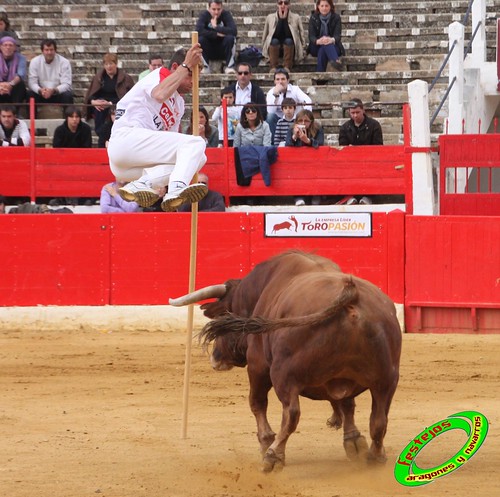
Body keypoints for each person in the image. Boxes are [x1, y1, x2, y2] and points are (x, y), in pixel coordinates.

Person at [107, 45, 208, 212]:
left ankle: (142, 184)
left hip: (129, 167)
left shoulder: (180, 104)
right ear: (176, 67)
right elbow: (159, 95)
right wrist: (185, 66)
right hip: (126, 138)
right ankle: (177, 189)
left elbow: (173, 150)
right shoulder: (160, 74)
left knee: (198, 157)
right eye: (191, 75)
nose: (194, 82)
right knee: (195, 144)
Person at [337, 98, 383, 205]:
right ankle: (350, 196)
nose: (355, 115)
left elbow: (378, 147)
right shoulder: (344, 127)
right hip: (350, 161)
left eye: (357, 112)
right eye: (352, 113)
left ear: (363, 110)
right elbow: (342, 147)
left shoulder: (374, 125)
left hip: (370, 160)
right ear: (349, 112)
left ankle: (367, 196)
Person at [84, 53, 134, 145]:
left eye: (111, 64)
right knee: (99, 109)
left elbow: (128, 96)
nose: (109, 67)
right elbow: (92, 93)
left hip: (117, 103)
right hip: (101, 103)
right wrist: (94, 102)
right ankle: (101, 135)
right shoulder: (99, 77)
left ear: (116, 64)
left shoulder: (125, 78)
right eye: (106, 64)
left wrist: (110, 103)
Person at [27, 38, 74, 116]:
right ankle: (32, 124)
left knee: (68, 95)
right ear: (42, 51)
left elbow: (67, 84)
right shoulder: (35, 62)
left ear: (55, 50)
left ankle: (68, 121)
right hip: (41, 93)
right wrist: (40, 90)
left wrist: (53, 90)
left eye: (51, 50)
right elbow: (32, 83)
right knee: (30, 94)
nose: (49, 52)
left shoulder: (64, 62)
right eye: (46, 50)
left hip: (57, 93)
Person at [262, 0, 306, 73]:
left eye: (285, 3)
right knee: (274, 41)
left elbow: (298, 35)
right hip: (274, 47)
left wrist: (284, 19)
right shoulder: (270, 17)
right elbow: (267, 35)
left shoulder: (296, 17)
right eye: (280, 3)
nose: (283, 5)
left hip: (290, 47)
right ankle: (273, 67)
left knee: (288, 40)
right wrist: (281, 20)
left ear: (289, 5)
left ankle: (287, 67)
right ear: (277, 4)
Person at [266, 68, 312, 137]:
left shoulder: (295, 89)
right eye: (277, 79)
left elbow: (308, 101)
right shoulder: (271, 92)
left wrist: (304, 117)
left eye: (283, 79)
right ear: (274, 81)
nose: (280, 82)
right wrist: (276, 95)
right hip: (279, 121)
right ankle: (273, 144)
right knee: (270, 117)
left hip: (294, 119)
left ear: (288, 80)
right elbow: (270, 111)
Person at [196, 0, 237, 74]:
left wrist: (216, 27)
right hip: (209, 48)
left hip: (223, 49)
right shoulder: (204, 15)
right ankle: (205, 67)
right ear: (209, 8)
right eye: (214, 9)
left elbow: (234, 31)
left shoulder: (226, 15)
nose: (216, 12)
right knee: (200, 39)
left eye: (218, 9)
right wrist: (216, 34)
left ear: (222, 8)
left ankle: (230, 66)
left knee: (230, 38)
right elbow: (198, 31)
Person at [308, 0, 345, 72]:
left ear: (330, 7)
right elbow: (311, 36)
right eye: (322, 6)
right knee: (324, 44)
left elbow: (337, 36)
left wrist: (330, 40)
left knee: (323, 48)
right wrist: (319, 41)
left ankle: (320, 79)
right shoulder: (313, 18)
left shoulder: (336, 18)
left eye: (326, 6)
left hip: (333, 47)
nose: (324, 8)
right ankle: (335, 61)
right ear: (318, 7)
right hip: (316, 46)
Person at [0, 35, 26, 110]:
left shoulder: (21, 58)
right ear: (1, 47)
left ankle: (15, 112)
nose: (8, 47)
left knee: (20, 85)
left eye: (10, 45)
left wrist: (10, 85)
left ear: (14, 47)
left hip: (13, 85)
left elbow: (21, 74)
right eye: (5, 45)